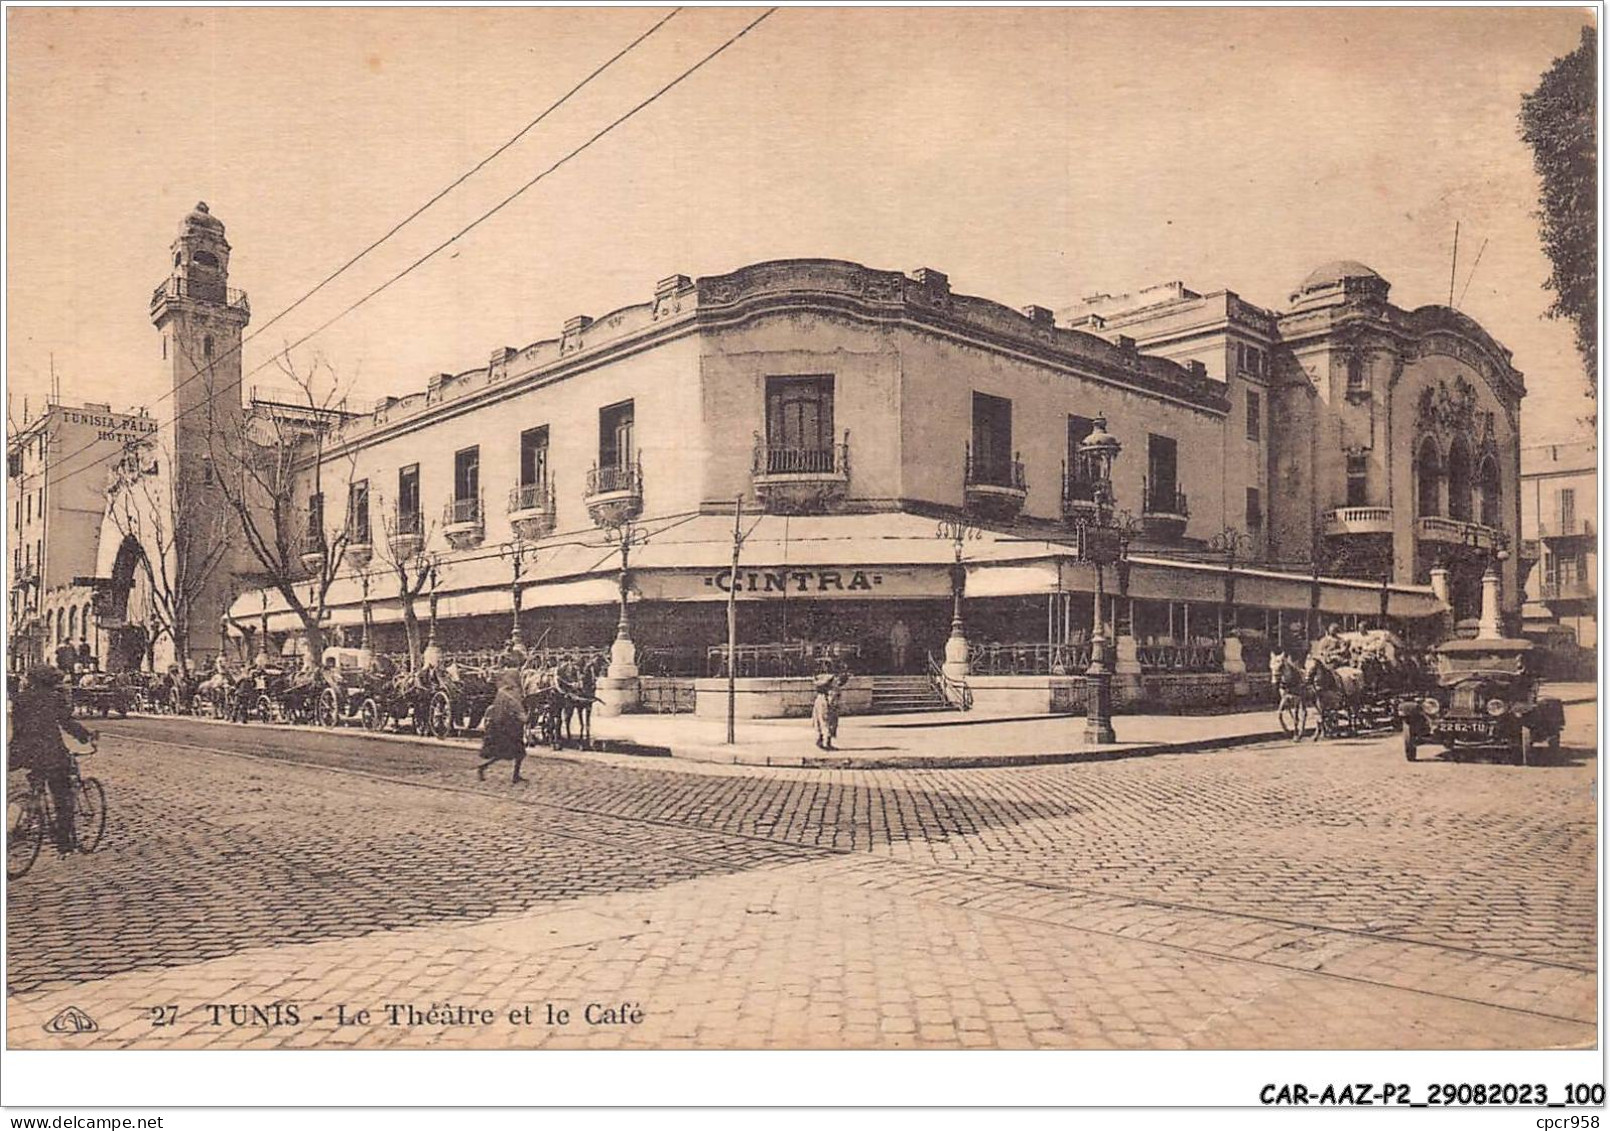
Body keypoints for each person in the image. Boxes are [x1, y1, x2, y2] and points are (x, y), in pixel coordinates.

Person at [9, 665, 95, 854]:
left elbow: (18, 728)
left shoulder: (20, 699)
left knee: (34, 787)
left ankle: (16, 820)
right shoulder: (54, 698)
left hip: (24, 752)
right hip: (50, 753)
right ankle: (64, 842)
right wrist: (85, 736)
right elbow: (67, 723)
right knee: (62, 795)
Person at [477, 656, 528, 783]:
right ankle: (484, 767)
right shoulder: (512, 684)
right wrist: (521, 714)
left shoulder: (502, 688)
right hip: (510, 725)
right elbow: (516, 703)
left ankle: (513, 775)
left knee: (513, 752)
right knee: (513, 752)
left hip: (506, 723)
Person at [811, 661, 848, 750]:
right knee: (829, 722)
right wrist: (834, 706)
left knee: (820, 721)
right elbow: (833, 695)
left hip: (819, 700)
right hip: (827, 702)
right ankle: (827, 743)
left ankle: (819, 739)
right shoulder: (834, 682)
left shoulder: (822, 678)